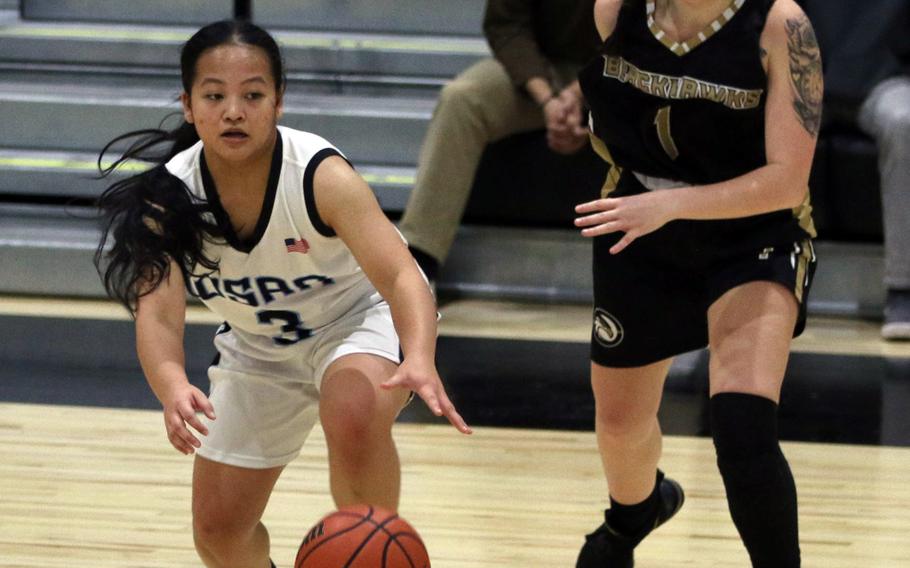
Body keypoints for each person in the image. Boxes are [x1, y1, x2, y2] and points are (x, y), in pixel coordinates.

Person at [93, 20, 471, 568]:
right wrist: (172, 386)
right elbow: (159, 317)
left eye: (252, 95)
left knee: (352, 411)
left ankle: (375, 554)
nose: (233, 110)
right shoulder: (169, 198)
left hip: (358, 320)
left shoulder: (320, 175)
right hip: (258, 348)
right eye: (214, 96)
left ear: (278, 103)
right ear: (188, 105)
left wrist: (419, 355)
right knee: (219, 533)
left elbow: (402, 277)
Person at [573, 0, 821, 566]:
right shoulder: (616, 10)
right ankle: (635, 513)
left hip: (752, 229)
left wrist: (673, 205)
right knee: (619, 425)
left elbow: (787, 181)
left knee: (742, 427)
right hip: (642, 224)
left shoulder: (783, 26)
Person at [399, 0, 601, 283]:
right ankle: (419, 262)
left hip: (621, 74)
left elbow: (639, 31)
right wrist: (547, 100)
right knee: (461, 99)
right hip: (539, 66)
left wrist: (580, 93)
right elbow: (506, 25)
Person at [802, 0, 910, 340]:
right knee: (744, 116)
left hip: (884, 79)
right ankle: (734, 275)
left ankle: (902, 289)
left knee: (904, 122)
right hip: (800, 78)